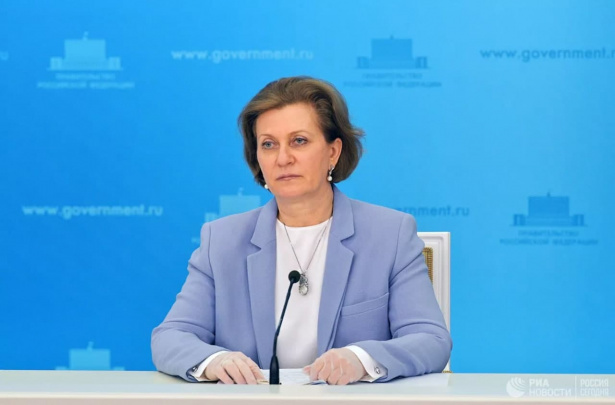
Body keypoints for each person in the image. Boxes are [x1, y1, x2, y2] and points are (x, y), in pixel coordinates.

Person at [151, 76, 452, 385]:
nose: (283, 159)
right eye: (269, 144)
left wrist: (362, 359)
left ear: (333, 152)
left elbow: (431, 340)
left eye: (299, 141)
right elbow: (171, 337)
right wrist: (215, 361)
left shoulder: (390, 234)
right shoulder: (222, 241)